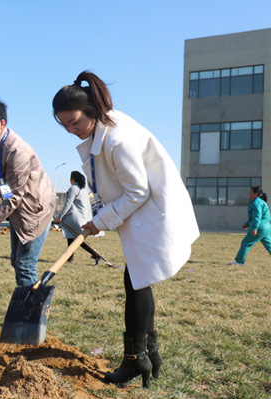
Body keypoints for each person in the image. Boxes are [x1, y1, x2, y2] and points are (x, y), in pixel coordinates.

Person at [53, 71, 199, 388]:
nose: (70, 130)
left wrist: (99, 220)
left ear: (91, 111)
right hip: (143, 214)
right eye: (63, 125)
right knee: (138, 280)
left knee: (135, 282)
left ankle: (136, 360)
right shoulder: (104, 128)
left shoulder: (117, 140)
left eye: (74, 122)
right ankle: (150, 354)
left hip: (153, 213)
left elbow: (137, 191)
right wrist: (102, 215)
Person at [0, 96, 57, 287]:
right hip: (19, 208)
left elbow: (14, 196)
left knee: (25, 265)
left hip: (35, 210)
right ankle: (27, 308)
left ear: (2, 123)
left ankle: (29, 314)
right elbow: (6, 179)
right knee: (17, 262)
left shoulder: (17, 151)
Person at [53, 171, 107, 265]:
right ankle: (69, 258)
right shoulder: (83, 189)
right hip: (83, 216)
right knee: (71, 237)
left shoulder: (73, 188)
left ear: (72, 179)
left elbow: (68, 204)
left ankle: (96, 255)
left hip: (74, 218)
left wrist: (60, 216)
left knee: (78, 239)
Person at [230, 186, 271, 265]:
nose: (249, 193)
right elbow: (254, 216)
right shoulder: (259, 202)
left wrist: (255, 228)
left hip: (260, 227)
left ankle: (239, 261)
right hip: (266, 227)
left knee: (246, 243)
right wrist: (247, 224)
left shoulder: (257, 203)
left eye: (250, 192)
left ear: (256, 193)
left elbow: (257, 216)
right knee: (269, 245)